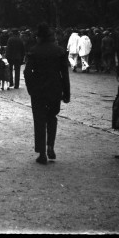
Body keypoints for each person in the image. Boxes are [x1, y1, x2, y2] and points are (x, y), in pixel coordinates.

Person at [24, 23, 71, 164]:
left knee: (39, 121)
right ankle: (51, 145)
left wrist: (31, 88)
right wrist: (66, 92)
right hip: (55, 89)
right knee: (52, 118)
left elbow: (27, 72)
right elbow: (65, 73)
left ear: (39, 37)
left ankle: (42, 153)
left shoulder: (34, 51)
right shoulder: (59, 51)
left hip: (38, 91)